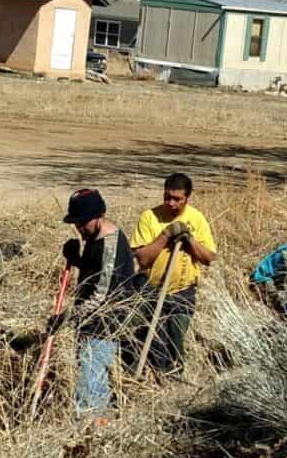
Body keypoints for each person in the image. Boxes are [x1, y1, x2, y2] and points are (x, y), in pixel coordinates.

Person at [47, 188, 136, 421]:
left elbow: (101, 295)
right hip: (89, 324)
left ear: (99, 216)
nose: (79, 228)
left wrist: (67, 316)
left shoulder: (110, 245)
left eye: (83, 223)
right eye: (76, 223)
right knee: (89, 379)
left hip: (104, 327)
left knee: (90, 386)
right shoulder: (94, 238)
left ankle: (92, 432)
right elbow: (92, 273)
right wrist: (76, 259)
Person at [130, 173, 216, 374]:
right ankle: (152, 377)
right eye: (167, 197)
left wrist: (190, 241)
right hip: (153, 290)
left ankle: (176, 375)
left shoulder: (197, 218)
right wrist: (165, 235)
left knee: (176, 338)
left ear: (188, 198)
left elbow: (209, 258)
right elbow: (142, 259)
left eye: (177, 199)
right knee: (155, 343)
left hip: (184, 292)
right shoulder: (149, 218)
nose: (171, 203)